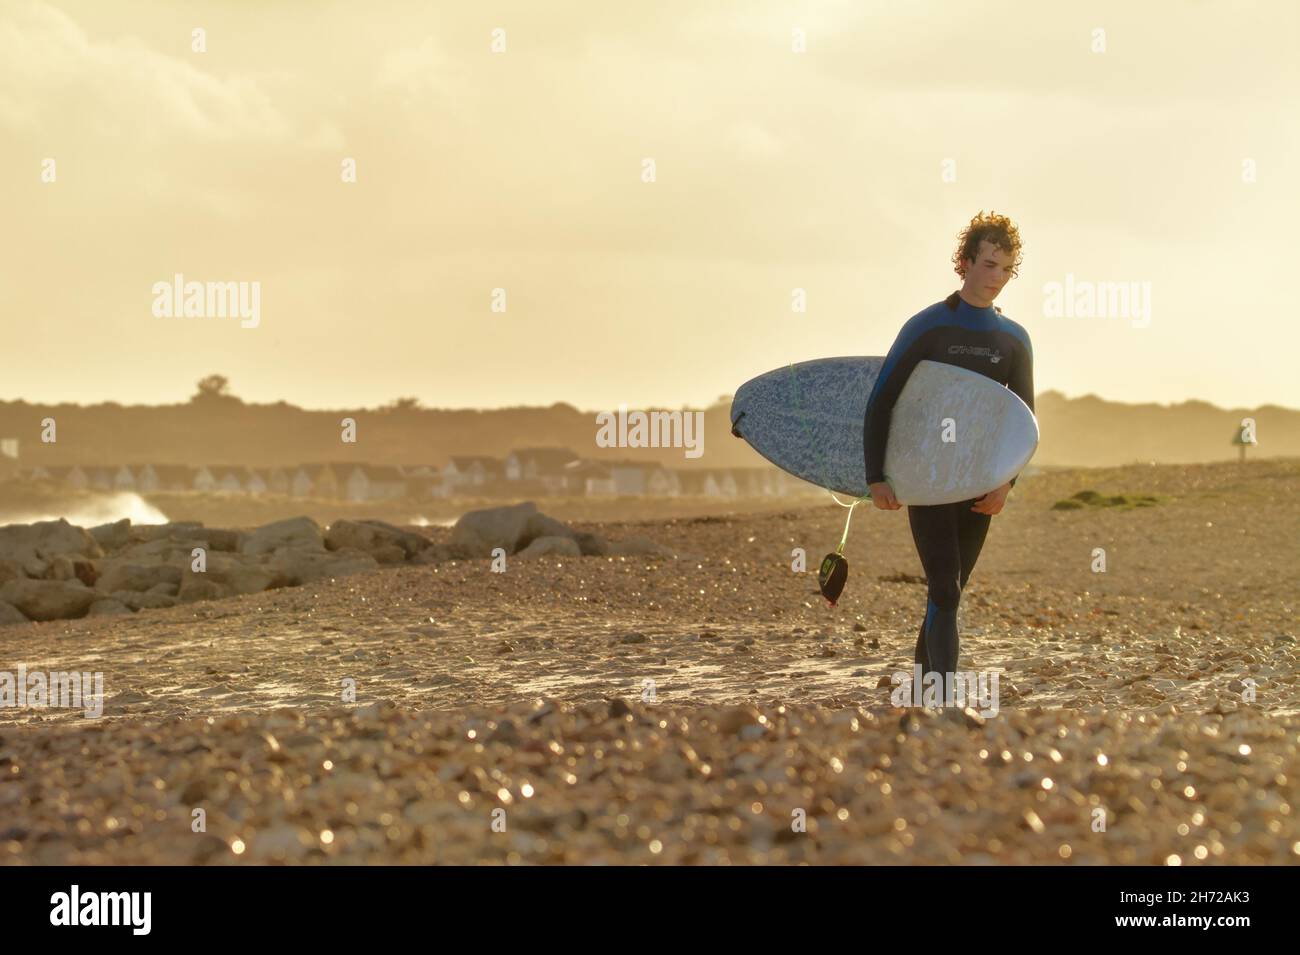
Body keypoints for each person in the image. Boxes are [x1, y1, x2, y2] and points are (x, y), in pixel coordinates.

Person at [862, 211, 1034, 704]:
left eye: (1007, 270)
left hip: (980, 484)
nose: (997, 278)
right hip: (930, 478)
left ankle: (919, 698)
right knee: (945, 587)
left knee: (949, 594)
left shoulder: (1014, 340)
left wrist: (1007, 484)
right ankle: (946, 703)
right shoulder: (928, 326)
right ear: (963, 263)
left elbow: (1022, 422)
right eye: (989, 264)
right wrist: (877, 476)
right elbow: (882, 400)